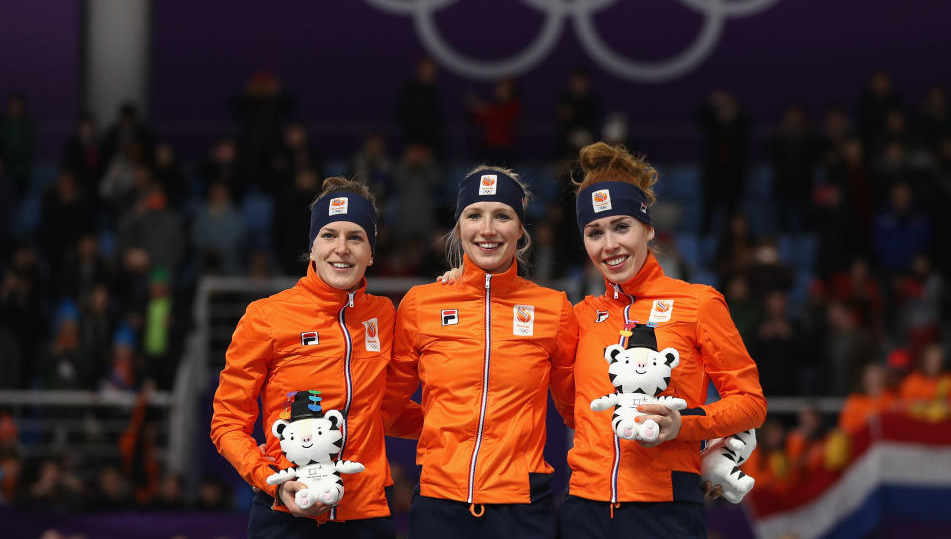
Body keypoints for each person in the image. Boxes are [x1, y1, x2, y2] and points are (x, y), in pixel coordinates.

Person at [559, 142, 767, 539]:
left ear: (648, 229)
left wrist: (684, 425)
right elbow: (574, 408)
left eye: (622, 227)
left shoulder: (699, 303)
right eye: (594, 232)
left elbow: (751, 404)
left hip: (665, 512)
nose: (609, 245)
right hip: (583, 511)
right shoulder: (580, 315)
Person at [211, 177, 420, 538]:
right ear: (312, 248)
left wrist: (460, 420)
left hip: (366, 514)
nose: (342, 248)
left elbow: (381, 409)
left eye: (355, 237)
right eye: (329, 235)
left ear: (371, 253)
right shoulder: (266, 317)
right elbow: (227, 422)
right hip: (286, 511)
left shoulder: (384, 315)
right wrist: (271, 480)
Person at [384, 167, 577, 539]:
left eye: (502, 216)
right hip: (439, 502)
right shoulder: (421, 304)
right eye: (474, 215)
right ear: (458, 228)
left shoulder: (554, 308)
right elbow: (385, 406)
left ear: (520, 229)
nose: (487, 229)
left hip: (523, 506)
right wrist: (448, 429)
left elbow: (577, 409)